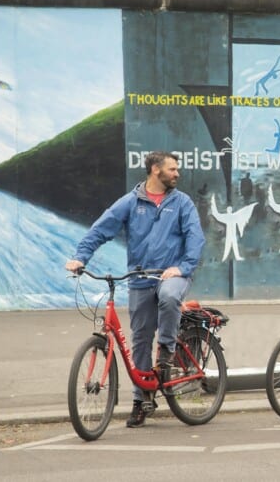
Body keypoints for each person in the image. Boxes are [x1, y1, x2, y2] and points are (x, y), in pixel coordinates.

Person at [65, 151, 205, 429]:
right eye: (172, 169)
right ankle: (143, 400)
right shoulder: (131, 202)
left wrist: (182, 267)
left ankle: (166, 351)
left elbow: (195, 238)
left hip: (173, 273)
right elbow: (101, 229)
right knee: (139, 339)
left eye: (177, 169)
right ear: (155, 170)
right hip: (141, 278)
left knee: (168, 296)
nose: (178, 173)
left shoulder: (182, 203)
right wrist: (81, 257)